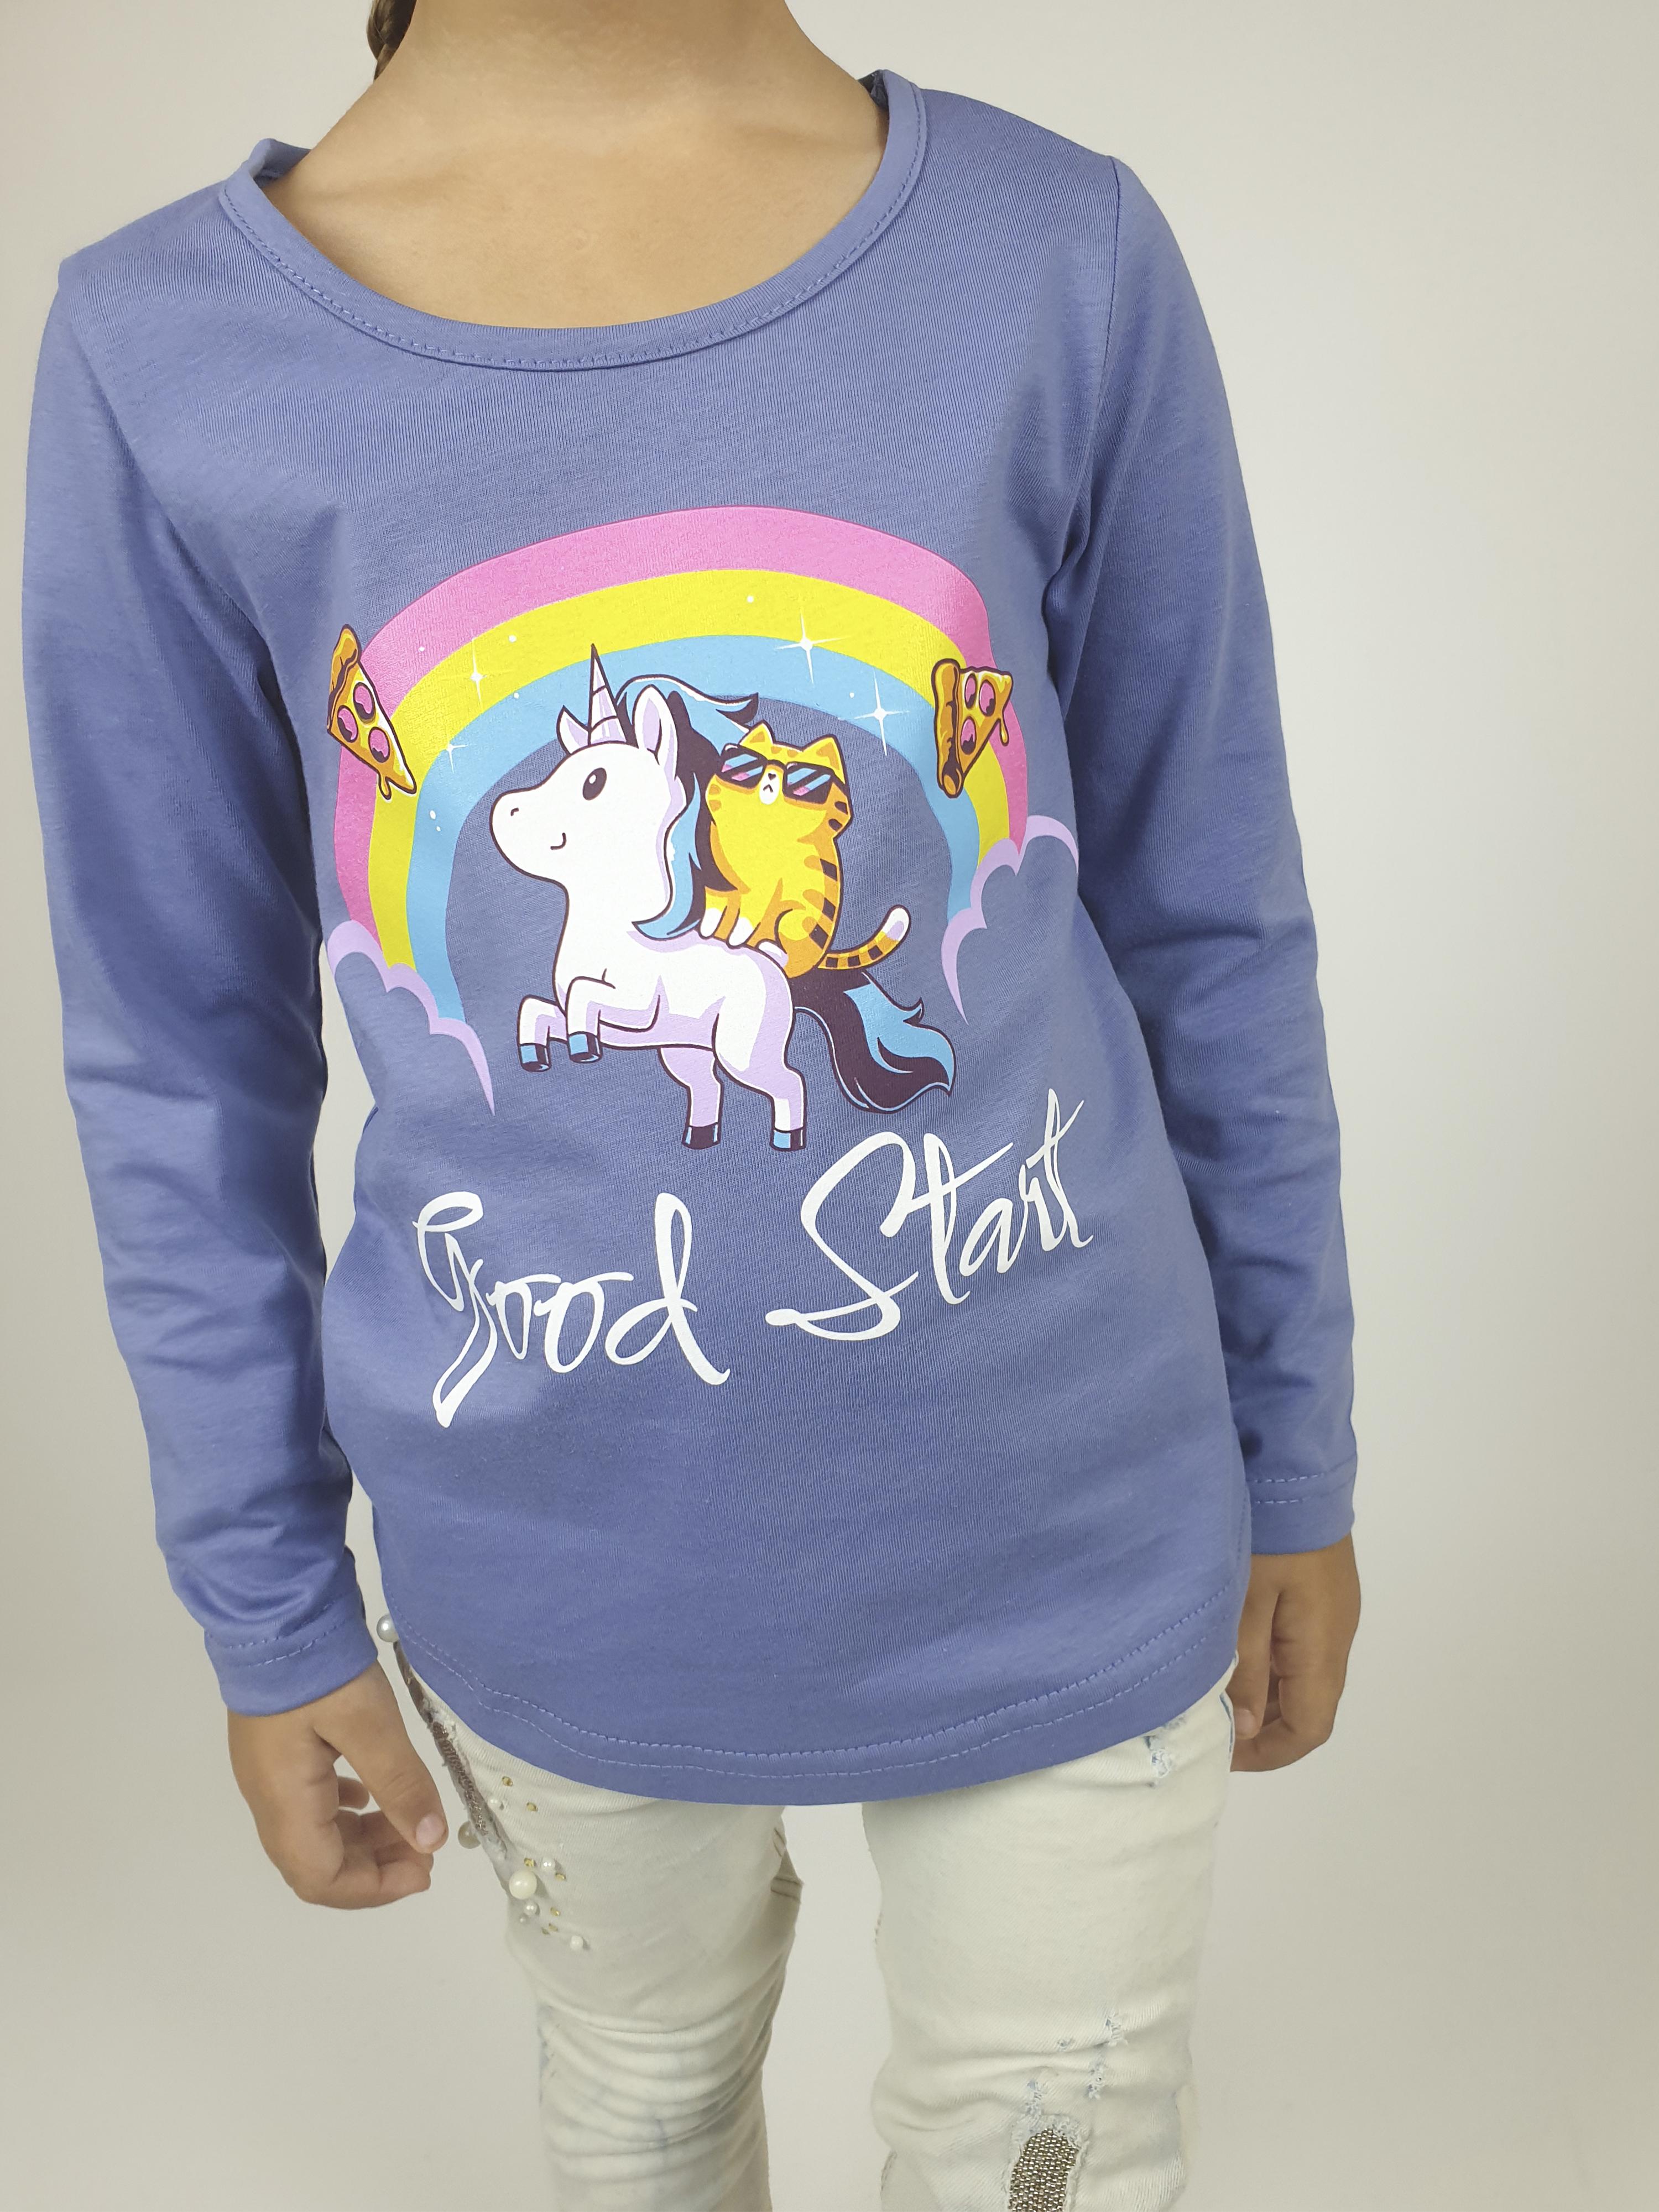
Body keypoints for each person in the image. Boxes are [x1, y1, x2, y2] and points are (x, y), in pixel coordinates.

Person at [21, 2, 1361, 2203]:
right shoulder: (164, 350)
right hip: (549, 1568)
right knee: (641, 2108)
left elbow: (1214, 913)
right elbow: (176, 1051)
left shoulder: (1060, 256)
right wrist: (266, 1597)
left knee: (1054, 2137)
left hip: (1076, 1525)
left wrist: (1295, 1446)